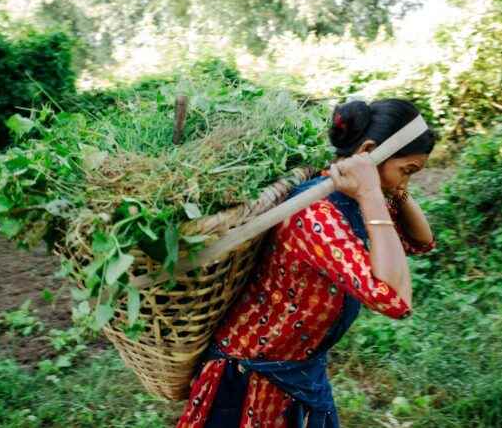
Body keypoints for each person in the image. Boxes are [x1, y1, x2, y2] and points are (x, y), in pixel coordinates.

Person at [176, 98, 437, 428]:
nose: (404, 183)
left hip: (297, 369)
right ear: (367, 150)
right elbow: (395, 300)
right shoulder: (316, 213)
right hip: (252, 375)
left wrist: (393, 190)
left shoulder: (357, 198)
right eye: (406, 171)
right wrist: (372, 191)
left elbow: (421, 242)